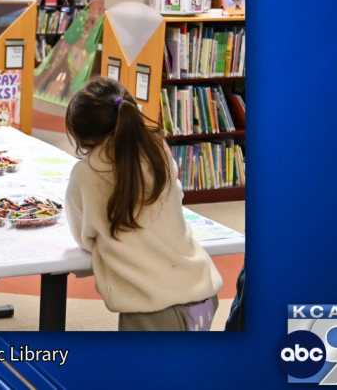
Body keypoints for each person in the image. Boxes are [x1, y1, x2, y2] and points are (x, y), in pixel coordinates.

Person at [63, 77, 223, 331]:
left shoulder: (86, 174)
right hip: (200, 289)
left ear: (86, 139)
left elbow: (85, 237)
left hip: (152, 307)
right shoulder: (159, 149)